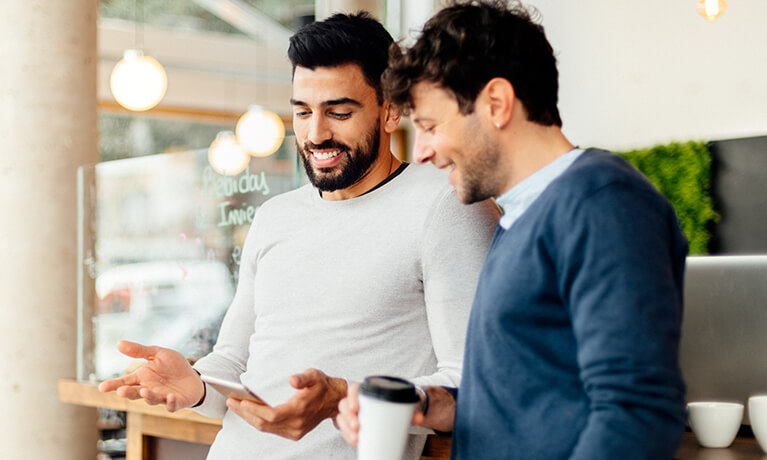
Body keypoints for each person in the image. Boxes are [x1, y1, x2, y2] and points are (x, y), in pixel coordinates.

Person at [97, 11, 500, 460]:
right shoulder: (275, 217)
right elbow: (234, 361)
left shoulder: (445, 204)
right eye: (302, 112)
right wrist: (195, 384)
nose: (315, 133)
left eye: (339, 112)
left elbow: (469, 383)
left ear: (390, 109)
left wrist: (343, 396)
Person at [337, 1, 688, 459]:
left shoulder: (603, 203)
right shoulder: (522, 216)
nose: (421, 151)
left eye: (429, 125)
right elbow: (525, 398)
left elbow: (638, 411)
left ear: (497, 104)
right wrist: (426, 404)